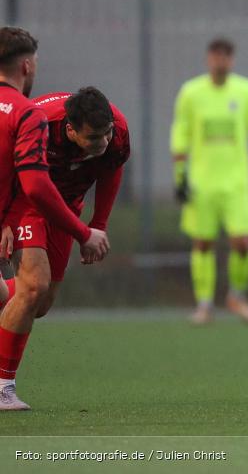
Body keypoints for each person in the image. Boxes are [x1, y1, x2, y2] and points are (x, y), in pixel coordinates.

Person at [0, 28, 109, 411]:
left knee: (34, 298)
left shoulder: (114, 134)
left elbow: (111, 169)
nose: (102, 142)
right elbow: (32, 183)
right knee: (32, 289)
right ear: (27, 66)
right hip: (23, 207)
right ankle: (2, 387)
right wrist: (83, 232)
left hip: (35, 209)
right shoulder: (31, 114)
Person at [170, 38, 248, 325]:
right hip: (202, 182)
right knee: (203, 243)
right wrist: (180, 174)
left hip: (237, 182)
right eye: (216, 55)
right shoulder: (191, 92)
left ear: (232, 59)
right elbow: (181, 131)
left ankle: (236, 297)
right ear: (208, 58)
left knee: (243, 243)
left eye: (226, 56)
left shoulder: (246, 90)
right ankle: (204, 305)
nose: (221, 61)